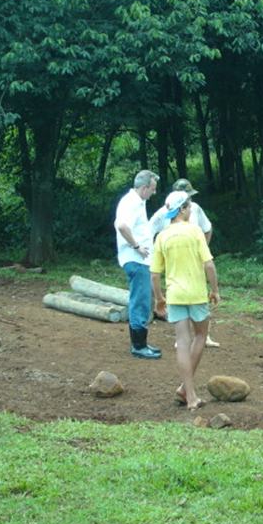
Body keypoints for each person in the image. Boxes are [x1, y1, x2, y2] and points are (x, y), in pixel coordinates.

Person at [151, 191, 220, 410]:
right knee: (200, 336)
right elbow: (209, 264)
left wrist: (159, 298)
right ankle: (186, 390)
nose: (191, 210)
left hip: (175, 295)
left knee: (182, 342)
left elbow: (154, 274)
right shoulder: (195, 231)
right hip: (197, 294)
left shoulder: (162, 236)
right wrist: (215, 290)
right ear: (182, 209)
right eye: (189, 207)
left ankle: (188, 394)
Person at [150, 177, 220, 348]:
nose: (190, 199)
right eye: (187, 196)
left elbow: (208, 228)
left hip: (194, 260)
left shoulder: (195, 208)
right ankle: (182, 338)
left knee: (198, 294)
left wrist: (203, 249)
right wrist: (157, 254)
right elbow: (149, 230)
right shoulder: (163, 212)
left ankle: (203, 335)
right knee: (181, 295)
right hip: (174, 260)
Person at [114, 169, 162, 359]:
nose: (154, 192)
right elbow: (122, 225)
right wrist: (137, 246)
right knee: (140, 300)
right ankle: (139, 346)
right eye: (152, 188)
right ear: (144, 188)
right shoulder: (132, 202)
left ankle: (141, 342)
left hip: (138, 260)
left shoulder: (136, 201)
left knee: (142, 299)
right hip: (135, 260)